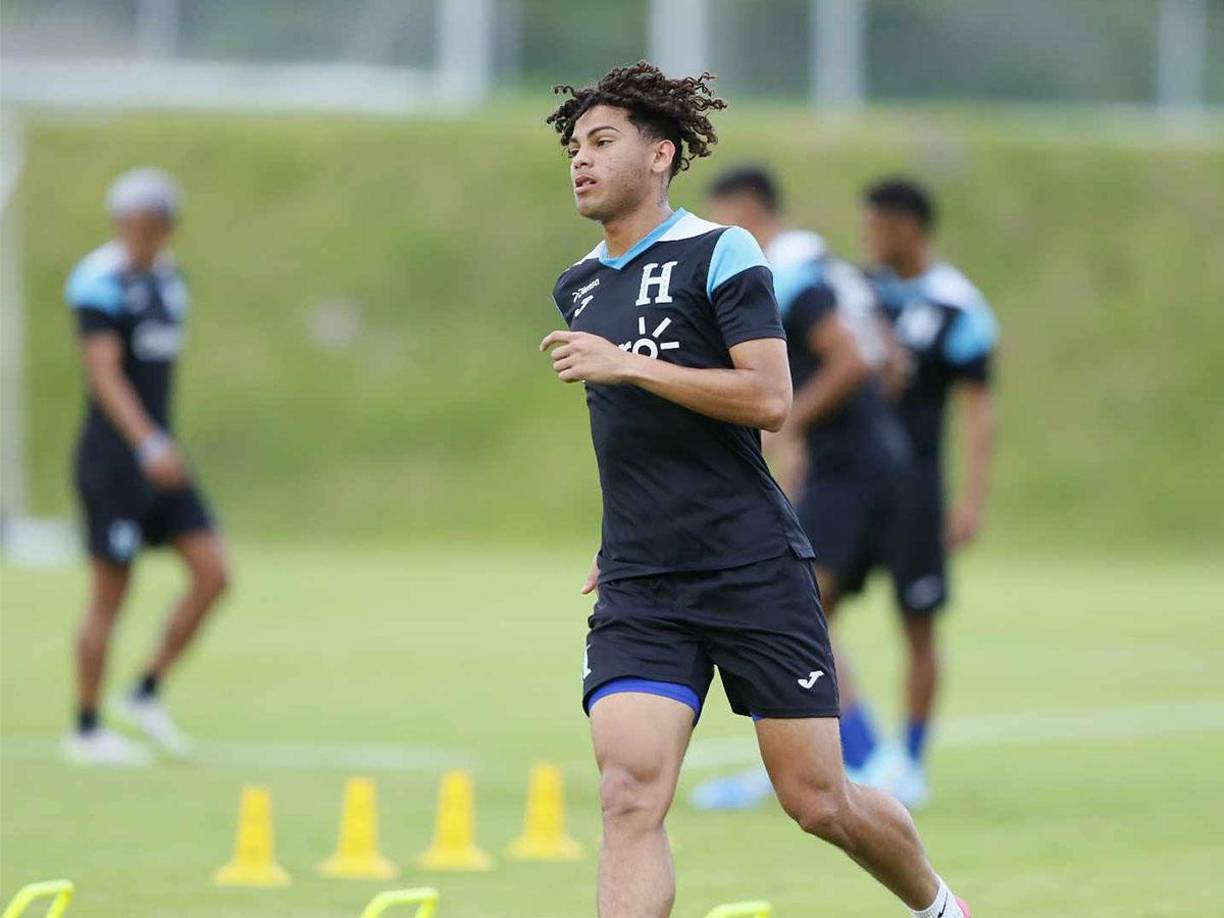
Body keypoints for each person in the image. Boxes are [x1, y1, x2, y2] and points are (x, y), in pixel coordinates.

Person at [540, 62, 970, 918]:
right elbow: (630, 440)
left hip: (749, 565)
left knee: (818, 802)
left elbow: (769, 399)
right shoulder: (579, 283)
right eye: (574, 147)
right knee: (628, 794)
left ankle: (940, 909)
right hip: (642, 580)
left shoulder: (721, 251)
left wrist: (630, 362)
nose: (581, 161)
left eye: (602, 142)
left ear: (660, 154)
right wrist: (617, 531)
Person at [688, 166, 911, 810]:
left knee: (797, 609)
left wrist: (789, 418)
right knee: (806, 617)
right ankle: (812, 756)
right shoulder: (820, 262)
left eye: (720, 218)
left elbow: (852, 358)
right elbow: (888, 353)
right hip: (861, 460)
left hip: (856, 467)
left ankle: (869, 758)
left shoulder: (791, 272)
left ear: (748, 211)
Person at [62, 168, 229, 765]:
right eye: (136, 221)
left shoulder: (168, 281)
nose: (145, 233)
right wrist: (147, 444)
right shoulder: (98, 281)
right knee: (112, 592)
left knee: (213, 573)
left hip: (161, 456)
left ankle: (144, 693)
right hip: (117, 460)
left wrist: (162, 446)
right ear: (121, 221)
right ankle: (84, 728)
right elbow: (104, 375)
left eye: (156, 223)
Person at [858, 177, 999, 806]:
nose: (868, 239)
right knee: (805, 609)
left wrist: (970, 498)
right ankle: (854, 750)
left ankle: (909, 763)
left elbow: (977, 410)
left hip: (916, 488)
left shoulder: (956, 305)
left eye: (878, 226)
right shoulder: (858, 293)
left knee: (917, 625)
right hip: (850, 484)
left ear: (908, 227)